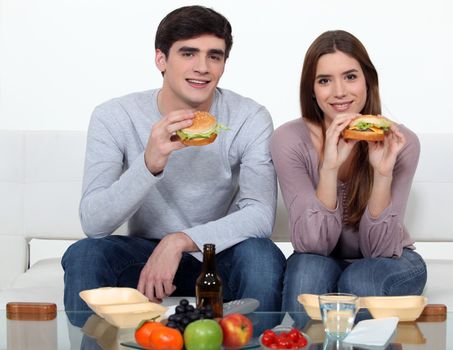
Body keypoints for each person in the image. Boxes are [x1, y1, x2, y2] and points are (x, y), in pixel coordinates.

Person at [62, 5, 285, 327]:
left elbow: (260, 215)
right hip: (143, 253)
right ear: (161, 59)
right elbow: (94, 223)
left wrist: (178, 240)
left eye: (214, 56)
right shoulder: (115, 116)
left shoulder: (249, 117)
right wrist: (149, 164)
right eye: (188, 53)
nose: (202, 68)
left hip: (215, 252)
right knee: (85, 254)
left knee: (263, 257)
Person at [270, 30, 427, 317]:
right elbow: (313, 245)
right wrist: (329, 167)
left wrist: (382, 174)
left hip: (392, 259)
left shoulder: (401, 142)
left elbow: (379, 249)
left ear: (368, 80)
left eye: (350, 76)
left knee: (358, 279)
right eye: (325, 80)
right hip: (321, 258)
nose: (339, 92)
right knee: (306, 271)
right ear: (311, 90)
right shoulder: (288, 139)